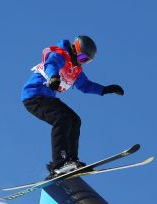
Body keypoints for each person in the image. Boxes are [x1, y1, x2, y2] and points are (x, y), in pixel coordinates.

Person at [21, 35, 125, 179]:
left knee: (75, 120)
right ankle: (59, 164)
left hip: (47, 98)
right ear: (75, 49)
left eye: (86, 61)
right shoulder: (60, 55)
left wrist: (105, 89)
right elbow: (51, 64)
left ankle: (71, 160)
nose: (82, 62)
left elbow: (85, 85)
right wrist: (53, 77)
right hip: (33, 96)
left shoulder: (75, 69)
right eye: (82, 58)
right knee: (62, 119)